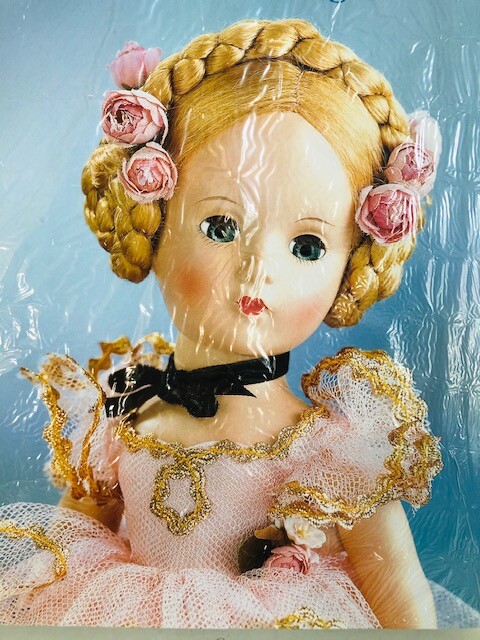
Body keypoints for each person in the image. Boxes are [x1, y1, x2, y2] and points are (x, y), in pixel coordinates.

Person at [0, 18, 477, 629]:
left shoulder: (331, 445)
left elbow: (400, 603)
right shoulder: (124, 410)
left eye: (306, 246)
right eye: (221, 227)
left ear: (350, 262)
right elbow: (63, 553)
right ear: (152, 224)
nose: (258, 270)